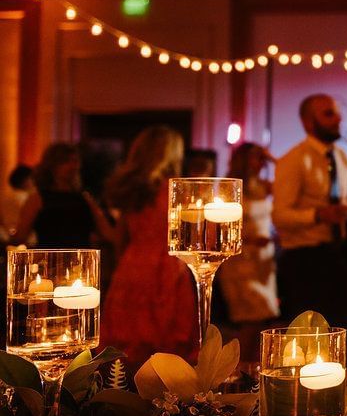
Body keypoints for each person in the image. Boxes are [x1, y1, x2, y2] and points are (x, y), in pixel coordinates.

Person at [272, 94, 347, 365]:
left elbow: (343, 201)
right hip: (305, 260)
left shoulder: (341, 157)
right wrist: (318, 215)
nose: (338, 119)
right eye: (329, 114)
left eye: (337, 113)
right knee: (309, 340)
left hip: (338, 255)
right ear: (307, 122)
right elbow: (280, 216)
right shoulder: (293, 160)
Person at [102, 126, 198, 367]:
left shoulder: (133, 191)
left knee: (127, 339)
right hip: (168, 266)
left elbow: (120, 237)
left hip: (133, 263)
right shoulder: (175, 191)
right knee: (167, 340)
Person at [216, 143, 278, 360]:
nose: (260, 162)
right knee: (250, 319)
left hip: (264, 259)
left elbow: (289, 180)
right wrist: (250, 238)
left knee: (261, 321)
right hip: (241, 258)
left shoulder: (265, 185)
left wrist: (273, 158)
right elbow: (221, 227)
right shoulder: (231, 187)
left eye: (262, 158)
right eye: (256, 157)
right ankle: (234, 367)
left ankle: (249, 369)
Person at [11, 143, 115, 248]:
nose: (73, 166)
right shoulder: (38, 198)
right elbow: (21, 236)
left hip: (79, 259)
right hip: (50, 258)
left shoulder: (84, 198)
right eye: (66, 161)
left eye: (75, 161)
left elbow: (108, 233)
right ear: (52, 165)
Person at [1, 164, 33, 242]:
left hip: (5, 236)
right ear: (25, 180)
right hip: (23, 239)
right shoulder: (27, 198)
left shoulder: (4, 196)